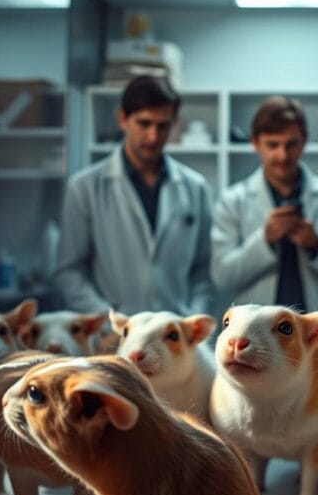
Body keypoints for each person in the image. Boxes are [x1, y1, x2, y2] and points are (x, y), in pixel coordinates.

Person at [55, 75, 214, 315]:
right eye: (144, 123)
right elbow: (69, 272)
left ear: (174, 124)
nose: (153, 136)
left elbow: (203, 270)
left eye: (163, 126)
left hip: (175, 335)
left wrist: (191, 319)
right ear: (123, 119)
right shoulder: (85, 188)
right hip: (114, 335)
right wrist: (107, 320)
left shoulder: (196, 187)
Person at [211, 96, 318, 312]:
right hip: (256, 330)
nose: (283, 155)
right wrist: (265, 240)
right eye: (273, 145)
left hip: (314, 327)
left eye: (291, 144)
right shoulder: (233, 200)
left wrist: (317, 245)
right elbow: (222, 277)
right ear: (255, 143)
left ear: (304, 141)